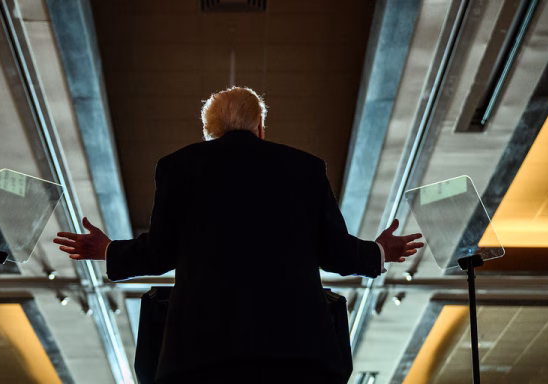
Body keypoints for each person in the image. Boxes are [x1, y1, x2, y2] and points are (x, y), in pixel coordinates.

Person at [54, 87, 423, 384]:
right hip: (295, 350)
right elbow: (334, 251)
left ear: (209, 132)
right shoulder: (305, 168)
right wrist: (378, 252)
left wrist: (107, 250)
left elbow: (160, 252)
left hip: (203, 353)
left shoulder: (178, 167)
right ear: (260, 126)